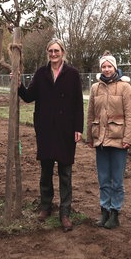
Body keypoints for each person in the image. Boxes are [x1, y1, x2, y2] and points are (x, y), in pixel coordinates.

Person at [18, 38, 84, 232]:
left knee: (65, 173)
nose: (53, 54)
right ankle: (46, 206)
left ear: (63, 52)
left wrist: (78, 128)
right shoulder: (41, 73)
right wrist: (18, 83)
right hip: (46, 129)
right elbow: (29, 97)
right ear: (48, 53)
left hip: (65, 130)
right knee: (45, 172)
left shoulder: (72, 74)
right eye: (50, 51)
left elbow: (78, 104)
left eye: (57, 51)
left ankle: (65, 212)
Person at [86, 51, 131, 229]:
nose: (106, 69)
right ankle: (104, 210)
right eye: (104, 66)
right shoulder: (95, 88)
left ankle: (115, 212)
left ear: (115, 67)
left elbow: (130, 115)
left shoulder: (124, 87)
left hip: (119, 139)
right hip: (100, 140)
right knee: (103, 178)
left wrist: (128, 138)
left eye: (109, 66)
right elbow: (91, 113)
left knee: (117, 179)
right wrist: (89, 137)